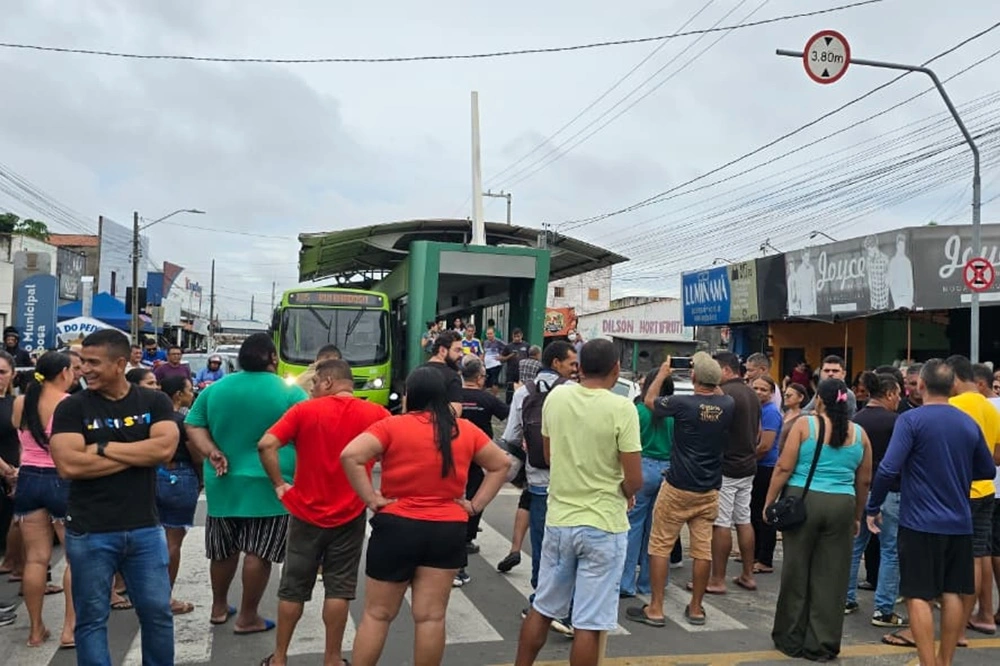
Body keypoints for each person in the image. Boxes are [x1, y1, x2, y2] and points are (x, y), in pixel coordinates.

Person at [340, 366, 510, 666]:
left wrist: (372, 499)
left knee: (377, 615)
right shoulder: (463, 429)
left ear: (410, 396)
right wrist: (474, 505)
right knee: (431, 617)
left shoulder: (392, 426)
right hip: (447, 529)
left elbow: (351, 455)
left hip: (396, 526)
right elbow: (500, 465)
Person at [49, 329, 179, 666]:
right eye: (82, 362)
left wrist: (103, 447)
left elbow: (164, 449)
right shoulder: (71, 408)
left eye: (93, 363)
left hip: (145, 529)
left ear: (120, 364)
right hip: (90, 531)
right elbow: (68, 464)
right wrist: (139, 454)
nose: (84, 369)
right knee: (91, 620)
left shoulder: (154, 401)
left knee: (158, 614)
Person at [515, 339, 641, 665]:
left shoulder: (557, 397)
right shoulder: (621, 408)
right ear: (616, 369)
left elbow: (546, 452)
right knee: (588, 620)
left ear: (580, 368)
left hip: (560, 518)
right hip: (604, 523)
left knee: (542, 607)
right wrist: (626, 493)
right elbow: (634, 478)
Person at [257, 359, 390, 666]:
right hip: (351, 512)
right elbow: (393, 450)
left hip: (305, 512)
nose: (313, 388)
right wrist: (380, 494)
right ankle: (332, 659)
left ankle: (279, 658)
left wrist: (280, 485)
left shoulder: (304, 411)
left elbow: (266, 445)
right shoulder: (376, 415)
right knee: (339, 588)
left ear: (329, 382)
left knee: (292, 588)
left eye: (316, 382)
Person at [869, 360, 996, 665]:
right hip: (959, 522)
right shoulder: (967, 422)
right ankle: (945, 660)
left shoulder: (911, 420)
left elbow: (888, 467)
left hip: (919, 522)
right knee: (953, 592)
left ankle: (928, 662)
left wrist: (873, 506)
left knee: (918, 594)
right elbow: (988, 469)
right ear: (953, 386)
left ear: (921, 385)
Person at [185, 334, 307, 634]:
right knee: (259, 552)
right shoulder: (288, 392)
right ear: (273, 358)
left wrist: (211, 451)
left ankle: (218, 607)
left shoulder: (217, 389)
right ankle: (248, 616)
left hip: (224, 481)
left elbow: (193, 423)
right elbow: (309, 429)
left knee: (223, 550)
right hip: (271, 482)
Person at [765, 378, 872, 662]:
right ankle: (822, 643)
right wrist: (858, 515)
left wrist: (769, 501)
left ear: (820, 400)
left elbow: (784, 466)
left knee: (796, 570)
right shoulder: (860, 434)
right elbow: (864, 480)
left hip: (804, 499)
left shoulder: (805, 425)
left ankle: (790, 637)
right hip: (842, 504)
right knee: (832, 576)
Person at [629, 352, 734, 627]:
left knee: (660, 544)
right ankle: (696, 608)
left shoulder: (682, 404)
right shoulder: (728, 404)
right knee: (702, 550)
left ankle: (656, 607)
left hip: (677, 486)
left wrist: (665, 371)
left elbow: (650, 401)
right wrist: (709, 376)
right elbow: (717, 393)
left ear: (693, 377)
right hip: (709, 489)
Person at [499, 340, 578, 636]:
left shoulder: (523, 392)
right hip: (570, 482)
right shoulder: (574, 392)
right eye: (571, 363)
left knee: (545, 545)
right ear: (556, 363)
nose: (575, 369)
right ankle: (559, 608)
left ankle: (541, 604)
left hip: (538, 480)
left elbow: (510, 437)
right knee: (564, 548)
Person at [11, 352, 76, 648]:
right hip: (61, 479)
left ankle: (36, 630)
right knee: (75, 560)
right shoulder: (69, 405)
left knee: (36, 559)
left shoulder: (21, 402)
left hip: (28, 480)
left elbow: (19, 435)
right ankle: (69, 629)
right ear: (63, 372)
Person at [944, 355, 1000, 642]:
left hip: (959, 492)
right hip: (987, 490)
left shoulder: (953, 407)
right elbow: (998, 456)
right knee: (978, 555)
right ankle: (977, 616)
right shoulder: (990, 408)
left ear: (954, 377)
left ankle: (959, 625)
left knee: (956, 560)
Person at [845, 372, 905, 628]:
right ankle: (883, 610)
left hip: (860, 489)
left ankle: (846, 599)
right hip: (892, 491)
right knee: (890, 550)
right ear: (890, 393)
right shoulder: (898, 422)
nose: (900, 399)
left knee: (855, 547)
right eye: (898, 395)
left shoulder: (856, 421)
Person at [706, 352, 761, 594]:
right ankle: (748, 574)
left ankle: (717, 579)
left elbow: (715, 429)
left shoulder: (725, 394)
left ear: (726, 370)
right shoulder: (751, 392)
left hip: (728, 466)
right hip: (748, 464)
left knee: (721, 523)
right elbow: (758, 431)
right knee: (743, 520)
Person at [620, 372, 676, 598]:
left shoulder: (638, 411)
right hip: (667, 469)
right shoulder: (674, 414)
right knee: (659, 531)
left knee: (632, 526)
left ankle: (625, 582)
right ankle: (650, 582)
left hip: (641, 467)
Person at [456, 357, 509, 585]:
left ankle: (456, 531)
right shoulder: (487, 398)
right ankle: (467, 536)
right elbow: (507, 415)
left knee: (455, 491)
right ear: (479, 378)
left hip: (455, 452)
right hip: (480, 454)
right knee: (477, 494)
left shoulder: (454, 397)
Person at [156, 376, 200, 616]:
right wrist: (201, 478)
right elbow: (197, 454)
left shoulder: (151, 418)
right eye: (189, 390)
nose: (191, 393)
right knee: (173, 541)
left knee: (155, 538)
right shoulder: (183, 422)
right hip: (179, 476)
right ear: (177, 395)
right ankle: (165, 598)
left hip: (152, 476)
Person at [749, 374, 781, 575]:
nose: (759, 392)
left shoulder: (770, 413)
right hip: (757, 465)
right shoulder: (757, 410)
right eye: (756, 388)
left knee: (764, 512)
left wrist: (747, 459)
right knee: (753, 511)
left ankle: (765, 558)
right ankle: (754, 553)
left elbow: (765, 446)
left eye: (763, 389)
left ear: (771, 393)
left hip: (766, 467)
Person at [420, 331, 464, 417]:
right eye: (457, 350)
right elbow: (455, 413)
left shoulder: (414, 373)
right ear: (442, 350)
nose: (461, 355)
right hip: (441, 428)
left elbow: (406, 410)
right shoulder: (452, 377)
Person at [500, 328, 530, 403]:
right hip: (511, 372)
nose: (517, 338)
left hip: (522, 372)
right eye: (515, 336)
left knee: (522, 390)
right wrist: (510, 355)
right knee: (510, 391)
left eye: (518, 336)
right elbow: (502, 359)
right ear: (512, 336)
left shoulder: (526, 345)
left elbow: (530, 357)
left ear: (521, 336)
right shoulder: (508, 346)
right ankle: (508, 407)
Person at [482, 328, 506, 396]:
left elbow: (507, 348)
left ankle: (494, 397)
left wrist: (501, 356)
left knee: (494, 381)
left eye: (491, 333)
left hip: (495, 364)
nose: (489, 335)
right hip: (486, 365)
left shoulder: (498, 342)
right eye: (488, 334)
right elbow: (484, 352)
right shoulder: (485, 342)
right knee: (485, 381)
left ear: (494, 334)